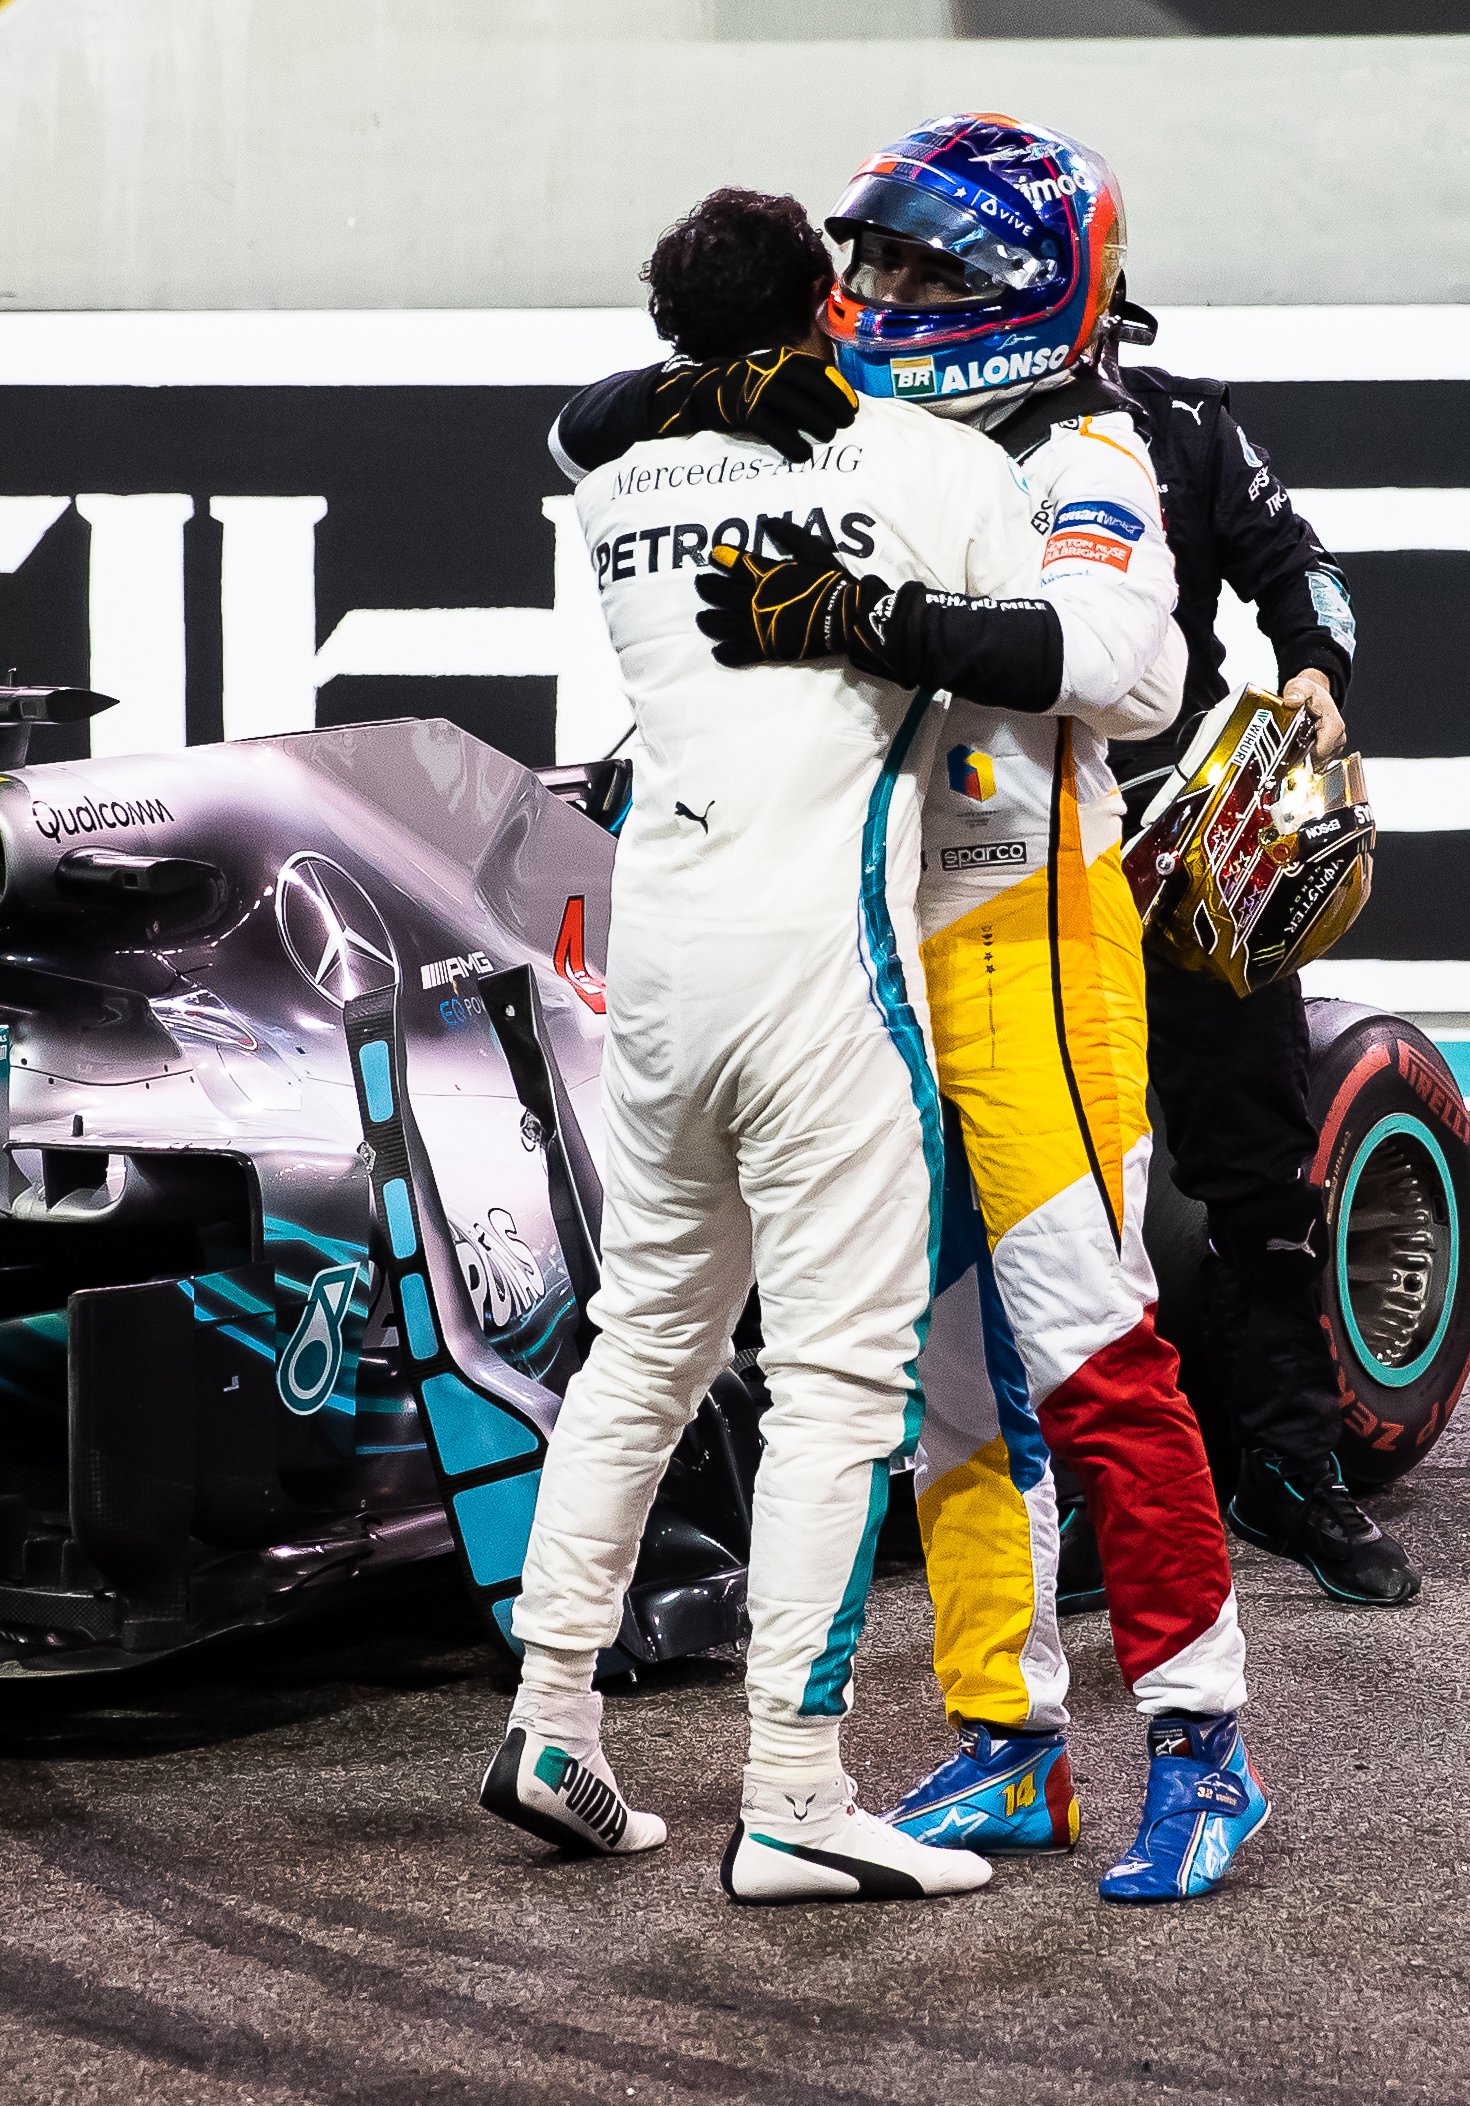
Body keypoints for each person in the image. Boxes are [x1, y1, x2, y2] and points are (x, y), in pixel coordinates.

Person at [572, 114, 1271, 1902]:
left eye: (916, 266)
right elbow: (592, 437)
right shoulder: (848, 423)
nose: (875, 289)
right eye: (866, 258)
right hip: (859, 951)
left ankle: (1203, 1745)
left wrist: (875, 617)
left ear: (1023, 289)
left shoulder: (1084, 444)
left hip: (1027, 944)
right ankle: (1007, 1738)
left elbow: (1125, 668)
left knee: (1094, 1353)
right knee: (945, 1388)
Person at [487, 187, 1055, 1909]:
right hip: (826, 964)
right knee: (839, 1384)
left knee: (644, 1342)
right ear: (828, 305)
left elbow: (592, 415)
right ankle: (796, 1792)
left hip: (659, 958)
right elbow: (1085, 672)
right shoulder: (932, 463)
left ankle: (549, 1720)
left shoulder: (617, 475)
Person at [1108, 349, 1416, 1607]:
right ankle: (1058, 1481)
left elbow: (1302, 569)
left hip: (1180, 842)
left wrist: (1313, 670)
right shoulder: (880, 410)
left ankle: (1291, 1467)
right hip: (976, 849)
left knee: (1261, 1171)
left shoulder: (1179, 417)